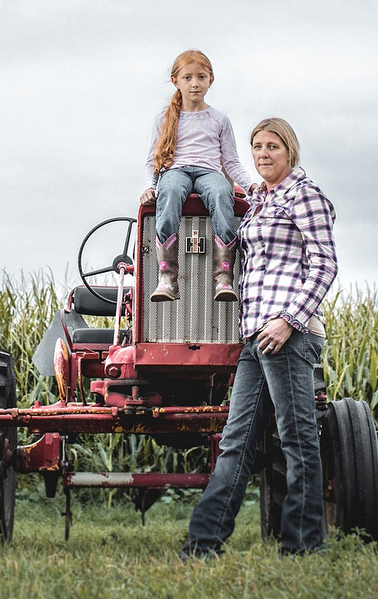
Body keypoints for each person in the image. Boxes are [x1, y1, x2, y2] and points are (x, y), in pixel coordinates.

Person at [181, 117, 337, 559]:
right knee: (236, 443)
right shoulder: (260, 201)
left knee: (296, 438)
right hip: (254, 333)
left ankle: (304, 546)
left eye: (272, 146)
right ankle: (202, 546)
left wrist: (289, 320)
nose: (263, 154)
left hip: (287, 332)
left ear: (290, 150)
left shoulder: (305, 196)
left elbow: (325, 265)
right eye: (257, 147)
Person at [140, 50, 255, 303]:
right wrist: (149, 186)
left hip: (208, 171)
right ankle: (167, 278)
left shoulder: (219, 120)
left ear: (210, 80)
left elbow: (231, 161)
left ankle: (223, 278)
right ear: (176, 81)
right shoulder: (165, 119)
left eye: (201, 77)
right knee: (168, 191)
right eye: (188, 77)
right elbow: (153, 160)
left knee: (221, 191)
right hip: (176, 171)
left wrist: (252, 186)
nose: (195, 83)